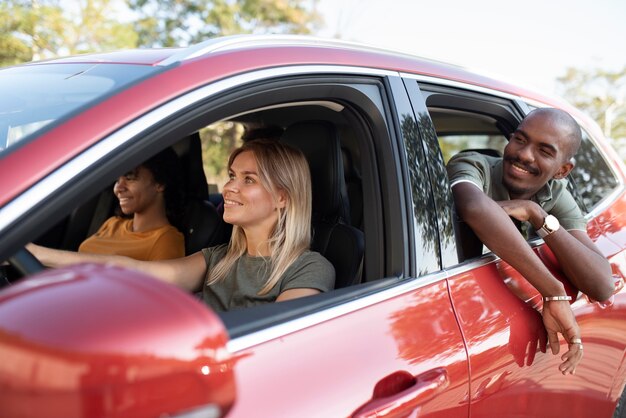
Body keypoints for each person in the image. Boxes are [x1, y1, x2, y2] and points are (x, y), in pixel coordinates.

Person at [29, 139, 335, 311]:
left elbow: (276, 342)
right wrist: (37, 254)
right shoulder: (219, 259)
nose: (229, 187)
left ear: (282, 198)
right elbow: (132, 270)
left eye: (249, 180)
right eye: (231, 175)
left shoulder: (308, 268)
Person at [447, 107, 614, 376]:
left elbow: (603, 284)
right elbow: (475, 208)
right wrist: (552, 289)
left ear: (562, 170)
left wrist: (537, 215)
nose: (524, 155)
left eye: (544, 151)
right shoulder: (474, 166)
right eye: (520, 139)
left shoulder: (555, 192)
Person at [79, 147, 185, 261]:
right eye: (117, 180)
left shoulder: (165, 240)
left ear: (159, 183)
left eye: (129, 177)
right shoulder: (113, 223)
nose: (118, 188)